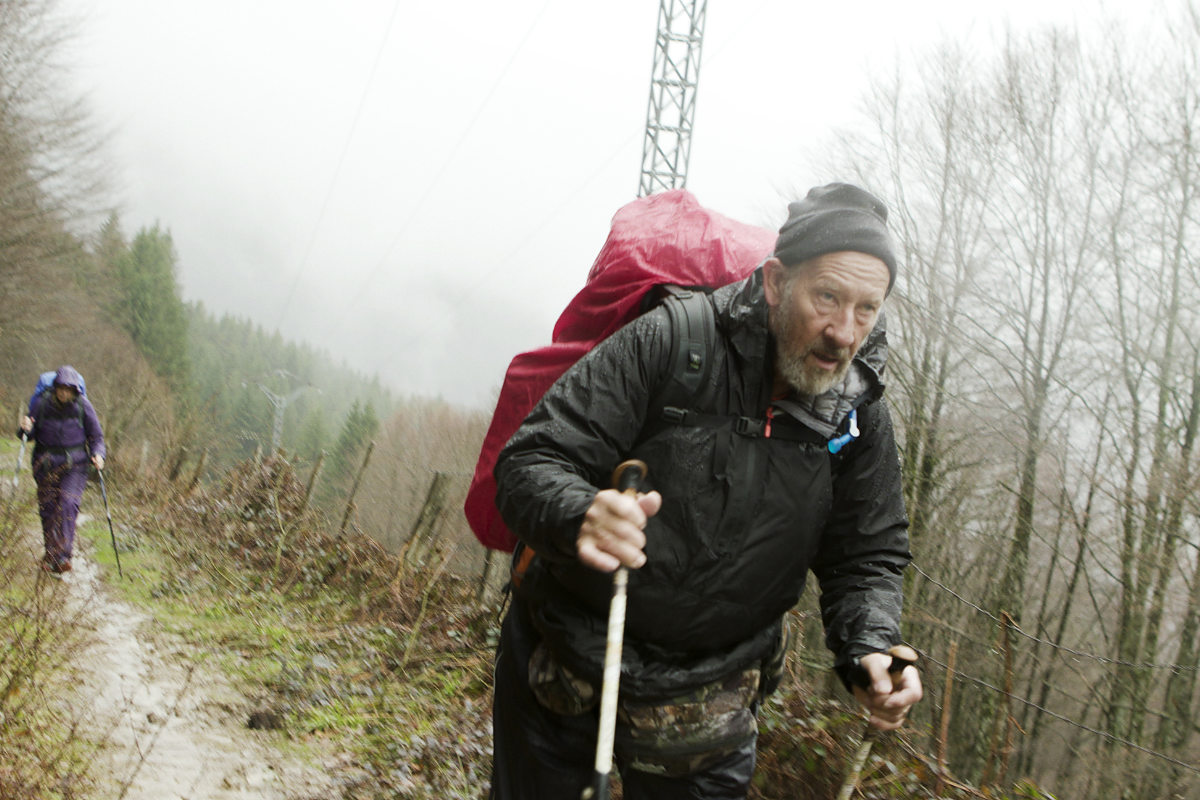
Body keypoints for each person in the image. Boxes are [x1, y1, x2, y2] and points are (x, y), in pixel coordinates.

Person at [488, 183, 923, 799]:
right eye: (827, 297)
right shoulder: (672, 342)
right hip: (572, 658)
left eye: (866, 309)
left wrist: (870, 647)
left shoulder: (857, 413)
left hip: (713, 698)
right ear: (776, 283)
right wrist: (580, 513)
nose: (843, 332)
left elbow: (866, 554)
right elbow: (532, 458)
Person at [18, 365, 106, 575]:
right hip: (45, 463)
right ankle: (50, 555)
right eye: (61, 388)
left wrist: (98, 454)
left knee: (68, 503)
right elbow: (27, 436)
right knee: (48, 508)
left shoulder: (83, 406)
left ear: (76, 390)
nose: (65, 392)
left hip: (75, 465)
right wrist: (24, 428)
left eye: (69, 389)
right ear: (55, 387)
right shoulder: (41, 404)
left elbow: (96, 437)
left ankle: (63, 556)